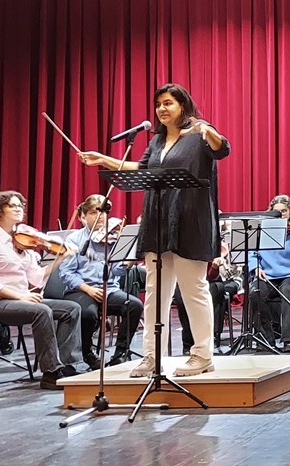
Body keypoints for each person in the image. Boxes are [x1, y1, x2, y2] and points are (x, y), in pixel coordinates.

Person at [79, 83, 230, 377]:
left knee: (194, 290)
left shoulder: (199, 132)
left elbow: (221, 148)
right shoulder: (158, 141)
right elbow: (142, 169)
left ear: (183, 106)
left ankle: (202, 355)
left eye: (168, 103)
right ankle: (152, 356)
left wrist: (207, 131)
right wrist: (104, 159)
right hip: (158, 222)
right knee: (155, 294)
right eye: (159, 104)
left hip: (190, 221)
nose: (162, 108)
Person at [0, 190, 83, 390]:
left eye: (20, 206)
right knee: (42, 311)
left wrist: (61, 258)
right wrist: (21, 296)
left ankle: (67, 365)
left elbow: (36, 277)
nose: (19, 209)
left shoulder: (22, 241)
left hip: (20, 299)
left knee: (72, 309)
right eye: (13, 206)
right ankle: (50, 373)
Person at [58, 194, 144, 368]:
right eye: (94, 212)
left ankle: (121, 353)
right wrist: (88, 289)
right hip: (80, 291)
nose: (100, 216)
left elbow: (116, 270)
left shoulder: (113, 238)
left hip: (108, 289)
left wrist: (127, 263)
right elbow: (66, 273)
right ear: (83, 216)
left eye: (103, 212)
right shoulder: (74, 239)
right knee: (88, 313)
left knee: (134, 306)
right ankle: (87, 352)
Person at [245, 195, 290, 353]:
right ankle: (265, 339)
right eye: (276, 212)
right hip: (269, 275)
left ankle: (289, 340)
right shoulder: (262, 230)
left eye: (283, 211)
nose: (280, 215)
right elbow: (251, 253)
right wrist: (255, 268)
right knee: (256, 292)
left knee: (288, 290)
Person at [175, 219, 242, 354]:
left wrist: (215, 267)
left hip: (210, 281)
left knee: (213, 290)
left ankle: (211, 339)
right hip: (188, 278)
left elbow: (210, 275)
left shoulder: (216, 243)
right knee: (181, 295)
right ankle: (188, 344)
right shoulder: (186, 241)